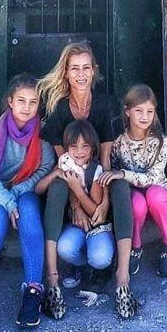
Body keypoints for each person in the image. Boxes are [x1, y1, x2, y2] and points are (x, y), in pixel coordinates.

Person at [37, 42, 138, 319]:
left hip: (97, 178)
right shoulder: (58, 107)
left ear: (94, 71)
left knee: (118, 184)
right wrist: (77, 204)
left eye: (86, 68)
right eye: (74, 68)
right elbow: (64, 164)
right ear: (66, 73)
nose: (80, 74)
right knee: (58, 184)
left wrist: (103, 201)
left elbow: (105, 160)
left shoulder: (105, 104)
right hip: (72, 183)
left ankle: (122, 279)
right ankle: (53, 281)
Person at [0, 74, 55, 330]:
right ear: (10, 102)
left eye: (33, 102)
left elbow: (46, 166)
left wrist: (17, 194)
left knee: (29, 209)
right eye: (21, 101)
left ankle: (33, 292)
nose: (26, 107)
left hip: (23, 189)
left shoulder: (42, 130)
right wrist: (7, 203)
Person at [100, 84, 167, 277]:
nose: (144, 116)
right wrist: (118, 176)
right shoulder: (118, 141)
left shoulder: (160, 141)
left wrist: (123, 174)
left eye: (149, 111)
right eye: (139, 111)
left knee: (154, 196)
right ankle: (134, 246)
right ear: (127, 112)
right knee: (136, 203)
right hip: (133, 191)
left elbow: (154, 177)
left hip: (158, 188)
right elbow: (112, 169)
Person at [35, 120, 114, 290]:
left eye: (85, 146)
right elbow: (38, 189)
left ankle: (99, 269)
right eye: (73, 146)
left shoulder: (95, 170)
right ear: (67, 147)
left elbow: (95, 213)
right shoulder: (65, 161)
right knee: (64, 248)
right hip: (77, 225)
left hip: (96, 227)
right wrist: (55, 173)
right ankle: (81, 265)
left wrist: (76, 189)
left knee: (100, 258)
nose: (79, 152)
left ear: (93, 148)